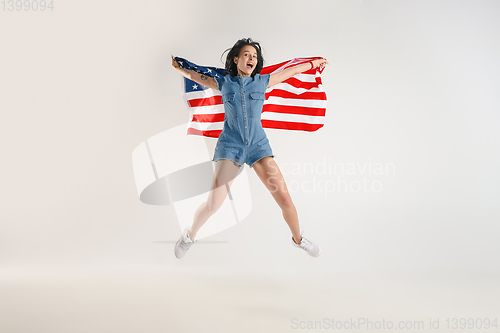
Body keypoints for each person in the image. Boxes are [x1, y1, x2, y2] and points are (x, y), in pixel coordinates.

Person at [171, 37, 328, 259]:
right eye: (246, 54)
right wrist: (179, 69)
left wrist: (313, 64)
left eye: (254, 56)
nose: (251, 58)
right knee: (213, 204)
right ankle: (189, 236)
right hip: (230, 147)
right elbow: (198, 77)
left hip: (258, 147)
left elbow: (290, 72)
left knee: (285, 200)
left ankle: (299, 240)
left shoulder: (262, 81)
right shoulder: (224, 82)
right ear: (236, 59)